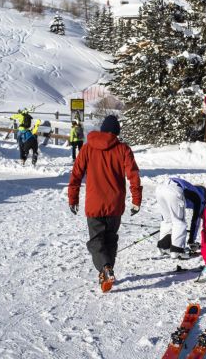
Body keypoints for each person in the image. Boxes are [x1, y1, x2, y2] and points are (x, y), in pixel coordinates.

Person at [68, 115, 142, 293]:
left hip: (94, 204)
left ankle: (106, 269)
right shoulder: (123, 149)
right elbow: (133, 175)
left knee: (96, 240)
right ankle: (107, 271)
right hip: (115, 204)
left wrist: (73, 198)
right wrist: (136, 199)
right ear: (116, 132)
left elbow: (76, 174)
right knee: (110, 239)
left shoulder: (87, 148)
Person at [155, 177, 206, 258]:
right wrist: (191, 240)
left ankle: (163, 247)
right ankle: (177, 251)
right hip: (174, 190)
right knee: (179, 222)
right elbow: (196, 220)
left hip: (160, 189)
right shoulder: (200, 198)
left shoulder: (191, 190)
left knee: (167, 221)